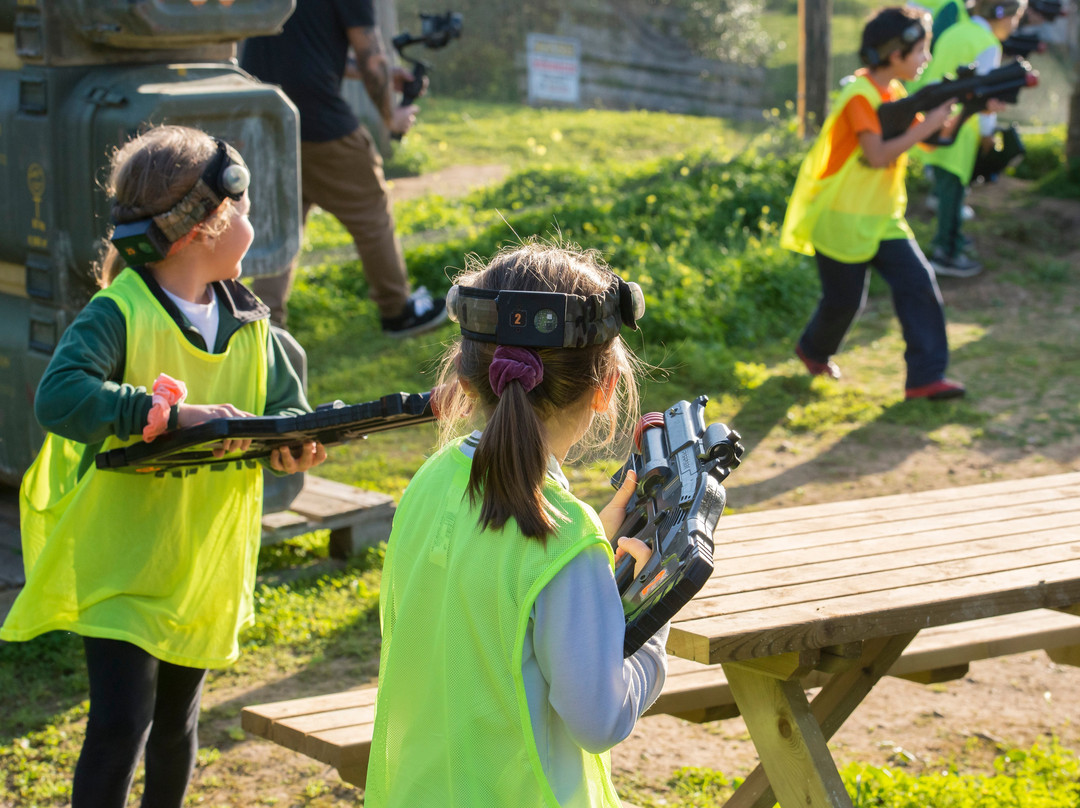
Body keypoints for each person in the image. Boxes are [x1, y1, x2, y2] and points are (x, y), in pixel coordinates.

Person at [0, 125, 327, 808]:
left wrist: (293, 444)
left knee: (176, 725)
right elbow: (59, 397)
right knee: (121, 726)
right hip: (122, 561)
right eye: (245, 212)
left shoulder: (252, 322)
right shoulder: (120, 311)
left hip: (201, 559)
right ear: (206, 226)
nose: (254, 228)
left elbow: (286, 412)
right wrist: (167, 414)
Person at [364, 243, 666, 807]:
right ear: (605, 390)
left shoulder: (429, 482)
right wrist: (654, 613)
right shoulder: (563, 540)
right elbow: (599, 720)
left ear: (467, 379)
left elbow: (484, 598)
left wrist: (589, 557)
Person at [780, 6, 968, 401]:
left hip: (883, 217)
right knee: (844, 302)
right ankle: (813, 350)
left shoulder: (893, 93)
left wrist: (968, 109)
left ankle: (925, 378)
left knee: (919, 285)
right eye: (921, 51)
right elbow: (878, 154)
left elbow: (931, 140)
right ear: (895, 54)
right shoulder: (859, 96)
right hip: (842, 217)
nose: (927, 58)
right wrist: (926, 124)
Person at [240, 0, 447, 337]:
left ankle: (265, 328)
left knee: (282, 227)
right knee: (372, 213)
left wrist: (374, 74)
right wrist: (391, 116)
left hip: (264, 117)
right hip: (320, 121)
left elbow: (300, 50)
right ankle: (397, 310)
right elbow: (372, 57)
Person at [918, 0, 1027, 277]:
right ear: (1000, 14)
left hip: (935, 119)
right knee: (954, 193)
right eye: (1014, 17)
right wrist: (988, 133)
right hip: (962, 128)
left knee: (946, 188)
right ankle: (947, 252)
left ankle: (950, 241)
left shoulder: (955, 32)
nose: (1014, 25)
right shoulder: (987, 43)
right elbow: (984, 94)